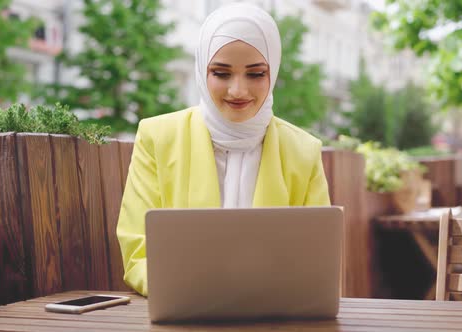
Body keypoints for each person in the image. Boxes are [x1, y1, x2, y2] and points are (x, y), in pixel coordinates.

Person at [117, 3, 330, 296]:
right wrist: (186, 291)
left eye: (255, 74)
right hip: (185, 310)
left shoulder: (303, 151)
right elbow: (137, 250)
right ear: (202, 70)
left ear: (274, 72)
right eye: (221, 73)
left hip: (275, 317)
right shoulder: (158, 137)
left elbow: (318, 259)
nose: (238, 91)